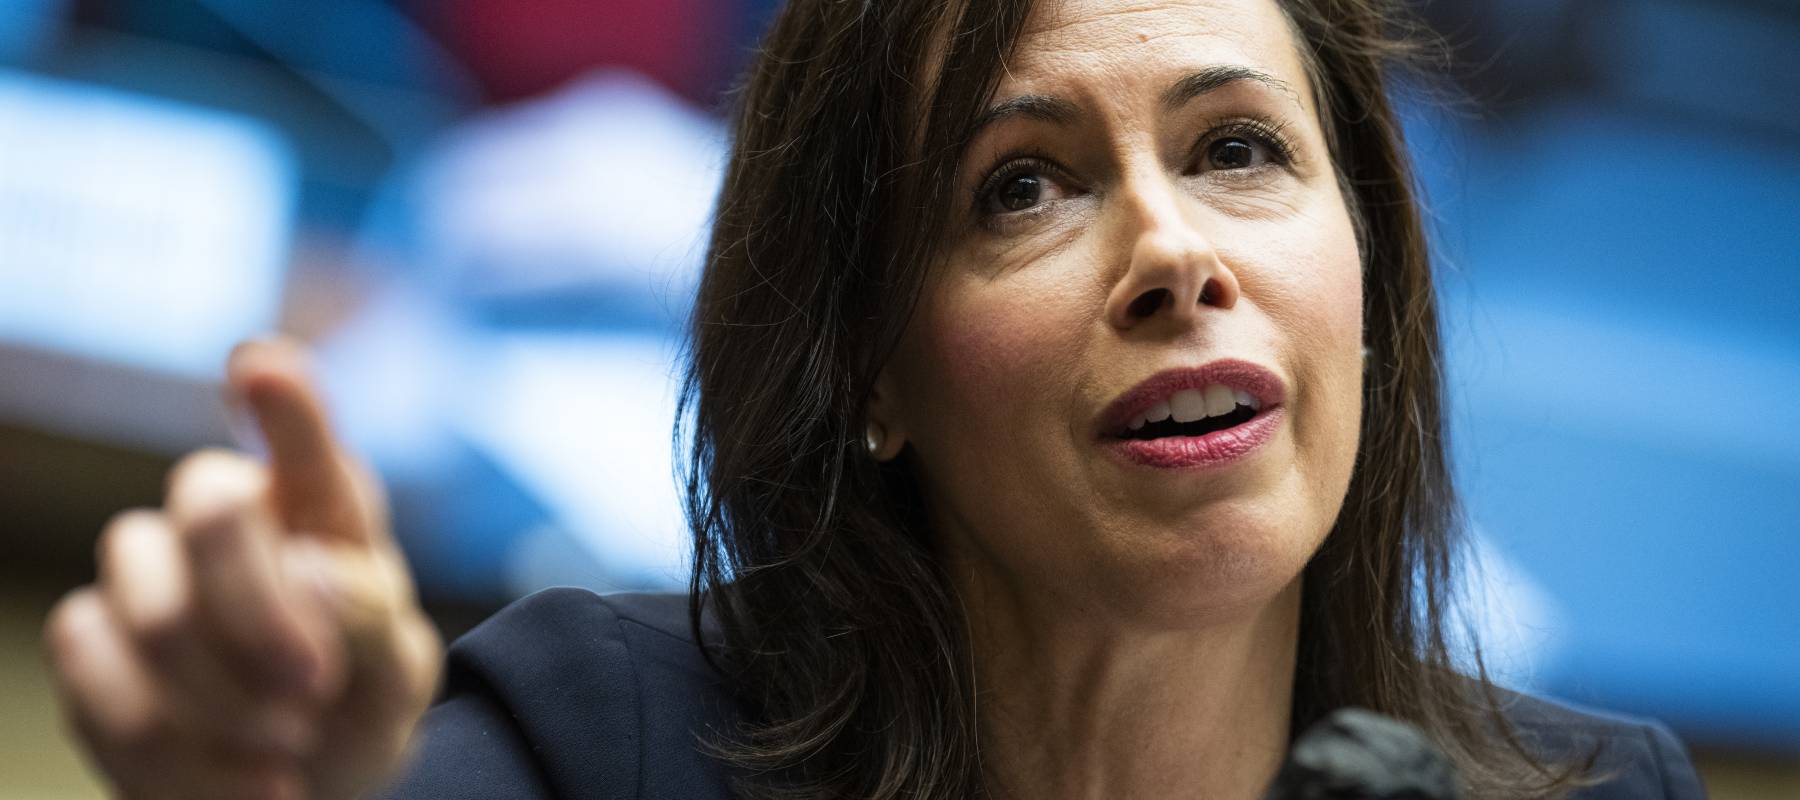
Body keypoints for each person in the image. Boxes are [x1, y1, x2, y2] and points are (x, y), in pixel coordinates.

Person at [43, 0, 1709, 798]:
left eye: (1239, 149)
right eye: (1020, 187)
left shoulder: (1601, 794)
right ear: (869, 374)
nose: (1172, 252)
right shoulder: (597, 755)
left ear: (1370, 280)